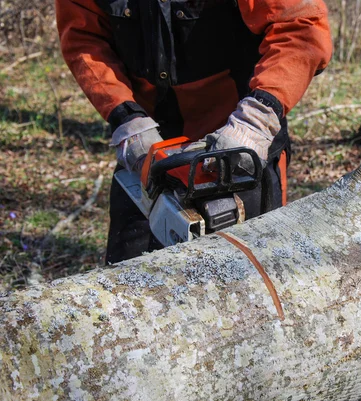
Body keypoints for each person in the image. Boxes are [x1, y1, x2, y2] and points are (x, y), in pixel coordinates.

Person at [55, 0, 332, 263]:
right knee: (128, 270)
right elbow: (84, 37)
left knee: (248, 275)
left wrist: (257, 119)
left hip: (239, 133)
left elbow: (300, 26)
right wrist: (126, 117)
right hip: (149, 141)